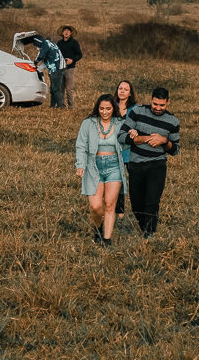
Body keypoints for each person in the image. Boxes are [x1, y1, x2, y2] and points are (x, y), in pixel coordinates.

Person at [117, 87, 180, 238]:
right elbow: (121, 136)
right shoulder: (138, 112)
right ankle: (145, 229)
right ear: (151, 100)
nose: (158, 108)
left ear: (168, 103)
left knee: (151, 202)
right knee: (137, 204)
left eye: (162, 105)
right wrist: (141, 139)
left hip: (157, 165)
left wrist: (164, 141)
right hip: (136, 164)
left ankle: (149, 235)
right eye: (155, 104)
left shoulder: (173, 121)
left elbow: (175, 150)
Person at [75, 94, 128, 246]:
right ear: (97, 109)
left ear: (114, 109)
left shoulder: (120, 124)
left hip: (114, 166)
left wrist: (132, 135)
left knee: (110, 204)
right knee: (96, 206)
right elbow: (81, 145)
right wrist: (80, 164)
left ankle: (107, 239)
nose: (105, 112)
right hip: (94, 166)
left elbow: (126, 145)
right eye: (102, 109)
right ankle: (98, 227)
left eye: (108, 109)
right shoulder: (88, 123)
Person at [113, 79, 137, 215]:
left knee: (133, 180)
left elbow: (138, 126)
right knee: (118, 180)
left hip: (130, 150)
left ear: (130, 93)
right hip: (115, 149)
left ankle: (137, 209)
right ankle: (119, 211)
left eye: (125, 89)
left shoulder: (135, 109)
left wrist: (135, 131)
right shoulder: (111, 105)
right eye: (120, 88)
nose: (122, 91)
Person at [24, 34, 65, 108]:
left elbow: (41, 56)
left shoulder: (45, 44)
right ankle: (52, 105)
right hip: (56, 68)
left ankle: (61, 106)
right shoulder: (49, 43)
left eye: (36, 45)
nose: (37, 48)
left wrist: (35, 62)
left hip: (57, 68)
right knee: (53, 88)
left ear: (38, 42)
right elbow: (46, 60)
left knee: (56, 88)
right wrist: (38, 69)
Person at [56, 25, 83, 108]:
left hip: (70, 68)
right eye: (65, 31)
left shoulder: (74, 43)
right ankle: (61, 105)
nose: (66, 32)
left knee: (69, 88)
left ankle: (71, 106)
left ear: (71, 33)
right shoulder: (59, 43)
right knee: (60, 88)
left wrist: (72, 60)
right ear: (62, 33)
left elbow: (79, 55)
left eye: (68, 31)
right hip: (60, 68)